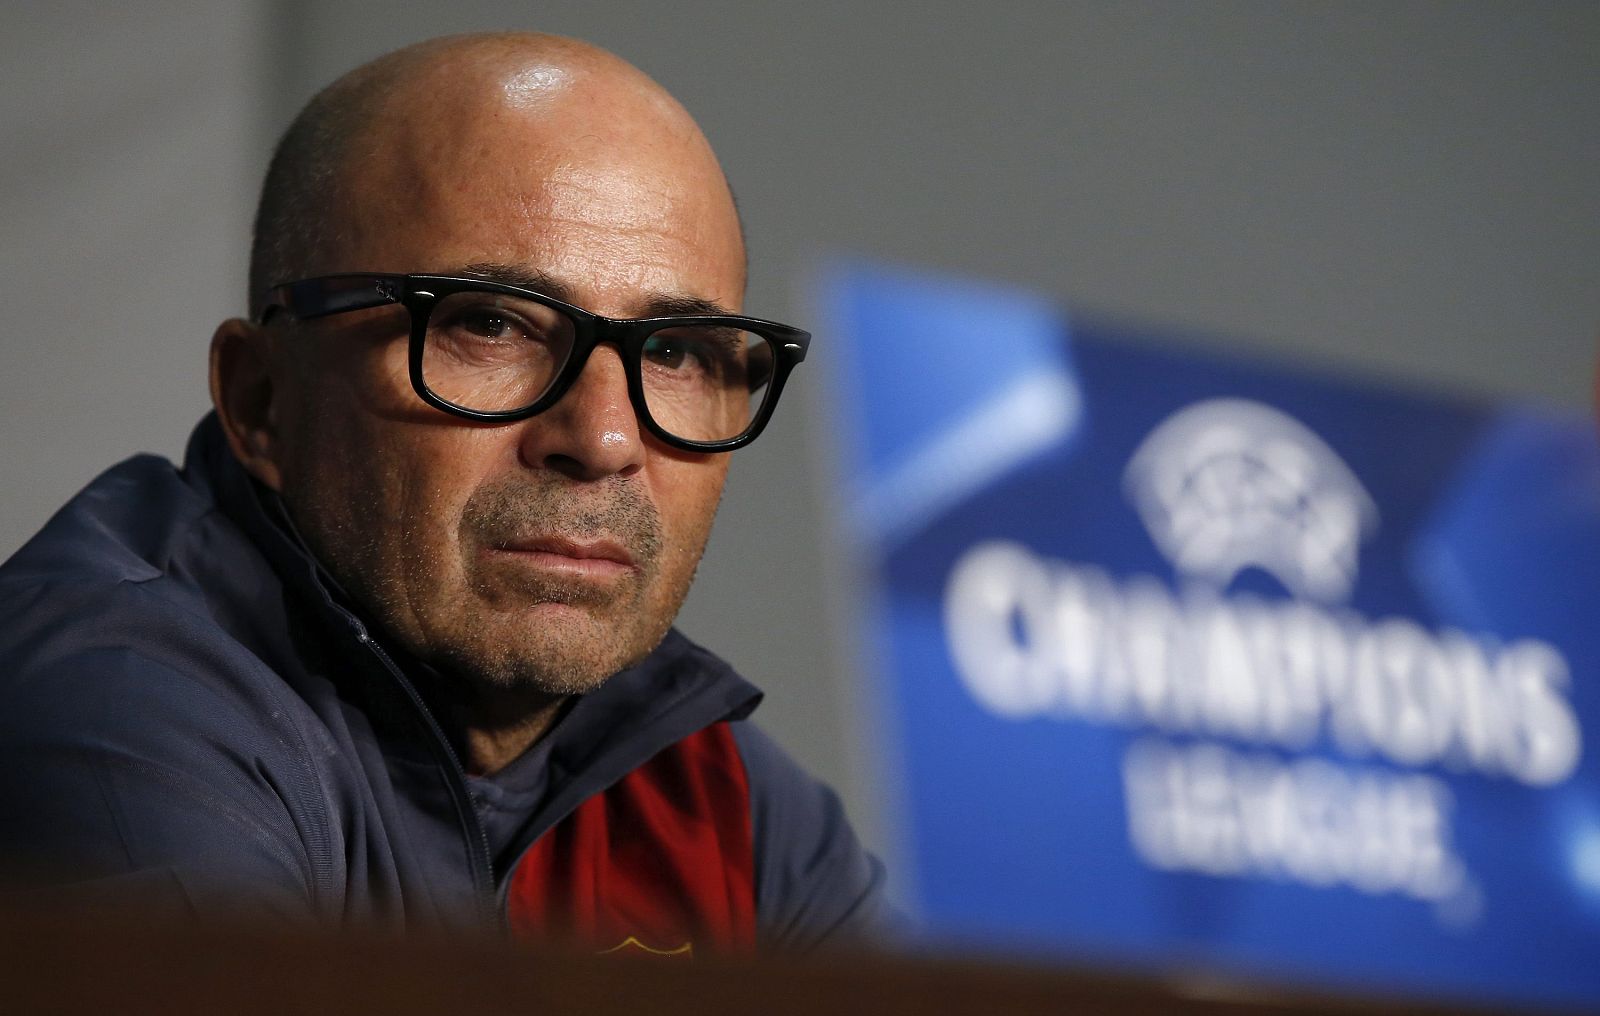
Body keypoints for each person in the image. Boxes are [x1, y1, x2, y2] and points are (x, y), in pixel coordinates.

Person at [0, 32, 888, 955]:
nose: (605, 438)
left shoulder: (719, 799)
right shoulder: (116, 714)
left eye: (674, 353)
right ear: (262, 398)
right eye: (491, 325)